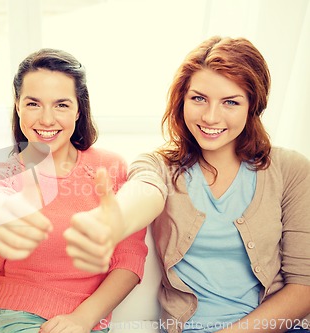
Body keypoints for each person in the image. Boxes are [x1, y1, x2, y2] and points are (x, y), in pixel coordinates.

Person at [64, 36, 310, 333]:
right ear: (181, 99)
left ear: (253, 106)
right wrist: (114, 220)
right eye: (199, 98)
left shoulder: (290, 170)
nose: (210, 116)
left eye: (231, 102)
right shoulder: (158, 166)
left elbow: (303, 288)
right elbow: (145, 193)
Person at [0, 48, 147, 333]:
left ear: (79, 109)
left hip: (88, 322)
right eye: (33, 104)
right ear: (17, 107)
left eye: (61, 105)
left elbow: (129, 260)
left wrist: (82, 319)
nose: (47, 119)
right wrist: (6, 213)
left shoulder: (110, 167)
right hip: (16, 316)